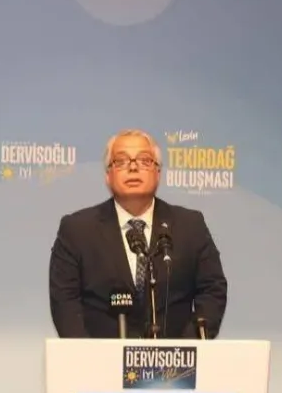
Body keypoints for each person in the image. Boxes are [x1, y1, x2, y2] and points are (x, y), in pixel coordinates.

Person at [48, 128, 228, 339]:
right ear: (108, 175)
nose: (133, 167)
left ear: (158, 172)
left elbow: (213, 290)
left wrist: (184, 349)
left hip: (175, 357)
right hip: (100, 357)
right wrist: (89, 354)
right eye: (121, 161)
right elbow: (65, 302)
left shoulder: (190, 225)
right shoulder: (77, 229)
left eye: (144, 160)